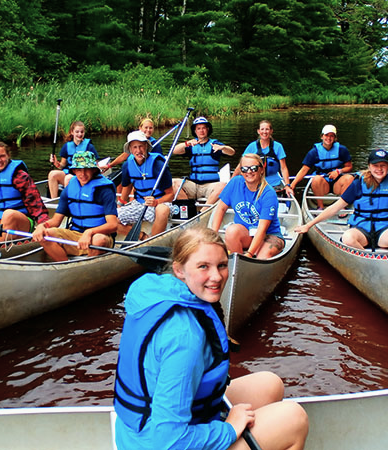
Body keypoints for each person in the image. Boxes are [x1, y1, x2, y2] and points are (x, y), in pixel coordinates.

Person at [113, 226, 308, 450]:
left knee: (270, 384)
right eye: (203, 266)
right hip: (160, 443)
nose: (216, 277)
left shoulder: (158, 293)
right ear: (179, 269)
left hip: (140, 431)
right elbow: (168, 440)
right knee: (294, 419)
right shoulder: (185, 338)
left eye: (222, 265)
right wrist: (230, 428)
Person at [32, 151, 117, 261]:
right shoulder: (69, 189)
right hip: (75, 233)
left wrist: (89, 232)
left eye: (87, 169)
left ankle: (87, 267)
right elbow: (56, 221)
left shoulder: (104, 190)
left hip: (100, 234)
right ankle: (64, 265)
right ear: (74, 171)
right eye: (79, 170)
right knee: (46, 235)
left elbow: (113, 225)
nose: (83, 174)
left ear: (93, 170)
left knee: (98, 240)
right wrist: (41, 226)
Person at [212, 154, 285, 259]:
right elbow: (221, 208)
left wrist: (249, 254)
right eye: (245, 169)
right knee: (231, 231)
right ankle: (235, 262)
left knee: (262, 257)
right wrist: (214, 236)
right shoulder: (235, 182)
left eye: (253, 168)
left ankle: (247, 262)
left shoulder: (269, 193)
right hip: (246, 233)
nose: (249, 172)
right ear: (241, 171)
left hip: (269, 234)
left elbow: (262, 229)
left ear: (261, 170)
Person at [117, 130, 176, 237]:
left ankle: (153, 241)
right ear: (130, 149)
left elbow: (170, 195)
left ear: (146, 146)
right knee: (111, 218)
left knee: (162, 210)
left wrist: (157, 201)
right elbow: (127, 186)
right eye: (134, 147)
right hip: (139, 203)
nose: (138, 150)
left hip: (160, 203)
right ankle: (143, 237)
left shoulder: (158, 164)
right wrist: (120, 204)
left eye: (141, 146)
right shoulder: (127, 165)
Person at [172, 116, 236, 205]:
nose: (201, 131)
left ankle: (203, 212)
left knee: (223, 186)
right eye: (198, 128)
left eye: (203, 128)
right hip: (194, 185)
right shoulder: (191, 145)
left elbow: (232, 152)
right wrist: (186, 144)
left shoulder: (215, 144)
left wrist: (223, 147)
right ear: (195, 131)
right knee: (173, 183)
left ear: (208, 129)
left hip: (210, 185)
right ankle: (188, 208)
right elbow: (174, 151)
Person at [289, 124, 354, 210]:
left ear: (335, 138)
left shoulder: (342, 150)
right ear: (322, 136)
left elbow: (349, 167)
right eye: (326, 135)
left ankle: (342, 207)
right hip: (323, 183)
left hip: (337, 182)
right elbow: (304, 170)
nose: (329, 138)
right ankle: (320, 206)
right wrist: (292, 185)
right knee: (316, 179)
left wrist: (338, 171)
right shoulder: (314, 152)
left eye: (332, 136)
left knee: (349, 178)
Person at [234, 120, 294, 195]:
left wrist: (287, 185)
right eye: (262, 129)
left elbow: (283, 168)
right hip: (255, 183)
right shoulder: (252, 146)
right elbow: (240, 166)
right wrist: (232, 181)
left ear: (271, 131)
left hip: (274, 184)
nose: (264, 132)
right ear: (258, 131)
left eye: (267, 129)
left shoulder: (278, 146)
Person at [48, 121, 99, 198]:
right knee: (52, 174)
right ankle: (54, 201)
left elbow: (96, 164)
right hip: (68, 172)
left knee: (68, 178)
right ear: (72, 132)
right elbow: (62, 165)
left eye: (82, 132)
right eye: (77, 132)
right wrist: (56, 163)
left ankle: (68, 202)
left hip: (83, 175)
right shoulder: (67, 146)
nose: (79, 134)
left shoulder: (89, 147)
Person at [99, 118, 163, 173]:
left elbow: (158, 164)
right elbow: (125, 155)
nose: (148, 130)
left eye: (151, 128)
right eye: (146, 127)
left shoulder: (156, 145)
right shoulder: (134, 141)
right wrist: (109, 165)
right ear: (140, 128)